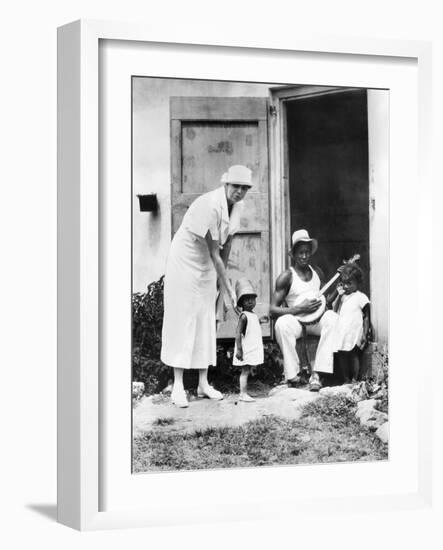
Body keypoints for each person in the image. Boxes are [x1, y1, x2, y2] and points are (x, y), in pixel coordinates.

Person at [161, 165, 252, 407]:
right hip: (186, 261)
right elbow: (215, 252)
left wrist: (225, 286)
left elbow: (227, 245)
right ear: (226, 185)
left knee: (206, 319)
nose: (239, 191)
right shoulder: (209, 205)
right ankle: (178, 385)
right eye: (236, 186)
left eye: (244, 188)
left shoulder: (238, 207)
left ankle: (203, 383)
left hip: (208, 264)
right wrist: (230, 289)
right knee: (184, 319)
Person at [269, 229, 338, 391]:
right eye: (300, 253)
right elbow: (272, 310)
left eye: (307, 252)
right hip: (297, 323)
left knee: (333, 318)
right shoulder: (287, 276)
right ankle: (293, 375)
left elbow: (325, 302)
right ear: (293, 254)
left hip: (316, 322)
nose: (304, 256)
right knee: (281, 324)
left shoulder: (317, 273)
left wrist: (335, 292)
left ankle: (318, 373)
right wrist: (299, 308)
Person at [332, 263, 371, 383]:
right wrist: (338, 295)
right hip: (343, 331)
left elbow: (366, 316)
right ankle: (346, 379)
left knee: (353, 355)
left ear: (357, 283)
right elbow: (334, 309)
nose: (346, 286)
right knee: (342, 354)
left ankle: (355, 378)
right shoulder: (342, 297)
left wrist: (365, 333)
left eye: (350, 283)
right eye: (344, 283)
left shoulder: (360, 297)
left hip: (354, 332)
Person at [233, 278, 264, 402]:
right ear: (241, 302)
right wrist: (239, 349)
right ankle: (242, 393)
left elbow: (252, 328)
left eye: (252, 298)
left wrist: (260, 320)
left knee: (248, 370)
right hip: (245, 349)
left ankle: (245, 391)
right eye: (247, 299)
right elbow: (238, 333)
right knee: (245, 371)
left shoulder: (252, 315)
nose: (250, 301)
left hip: (251, 348)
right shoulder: (244, 316)